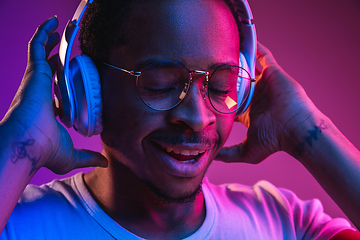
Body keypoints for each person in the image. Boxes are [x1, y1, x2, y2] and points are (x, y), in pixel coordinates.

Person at [0, 0, 359, 239]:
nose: (198, 117)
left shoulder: (285, 224)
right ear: (85, 89)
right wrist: (20, 140)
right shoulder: (19, 225)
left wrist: (308, 129)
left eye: (221, 86)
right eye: (160, 85)